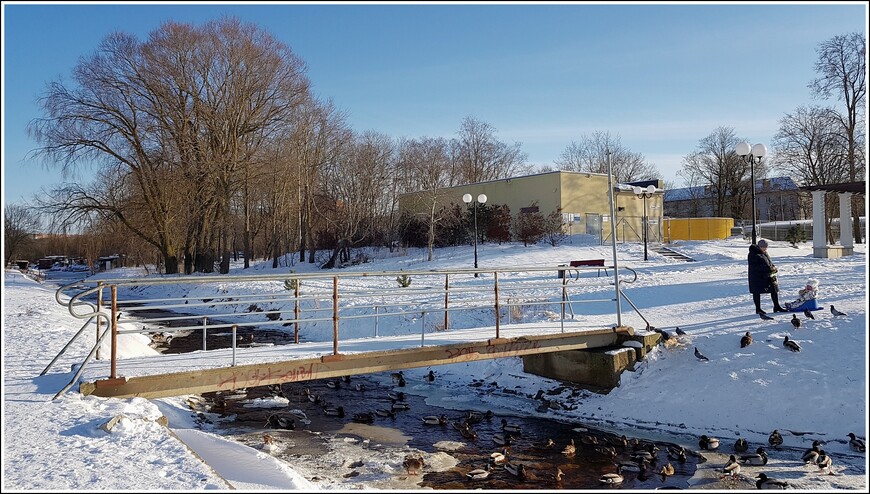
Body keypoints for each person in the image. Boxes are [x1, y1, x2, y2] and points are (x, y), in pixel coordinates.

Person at [747, 239, 786, 314]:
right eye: (764, 247)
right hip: (757, 277)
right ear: (759, 247)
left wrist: (773, 267)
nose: (765, 249)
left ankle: (776, 306)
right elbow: (757, 266)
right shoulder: (753, 254)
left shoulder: (764, 253)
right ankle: (758, 309)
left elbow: (768, 262)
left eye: (766, 247)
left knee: (774, 289)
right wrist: (769, 269)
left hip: (767, 275)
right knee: (756, 292)